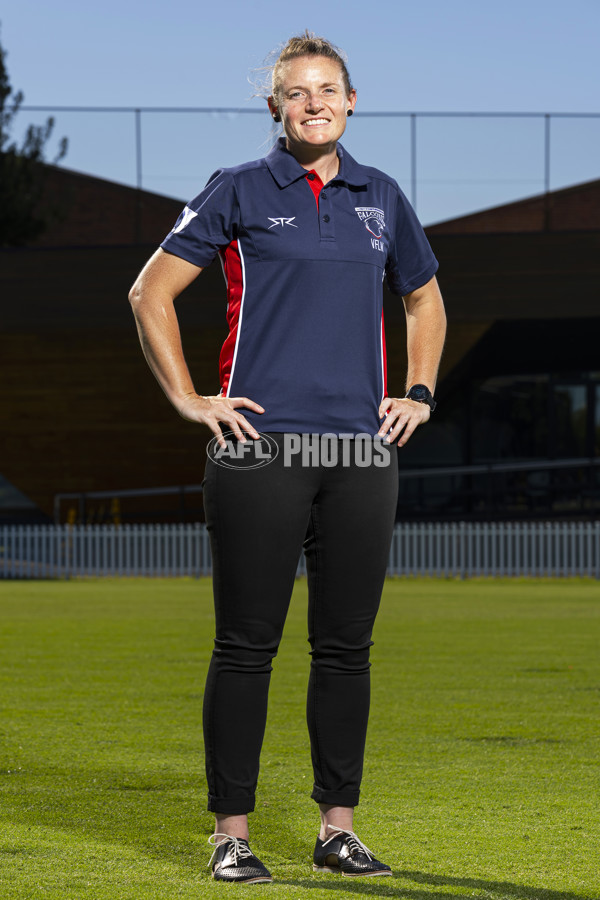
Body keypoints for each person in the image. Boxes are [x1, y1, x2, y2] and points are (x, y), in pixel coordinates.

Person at [129, 32, 446, 884]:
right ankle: (232, 834)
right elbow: (149, 291)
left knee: (347, 650)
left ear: (351, 101)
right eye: (296, 91)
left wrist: (416, 393)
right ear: (275, 106)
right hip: (257, 449)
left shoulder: (382, 196)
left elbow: (423, 298)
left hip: (361, 453)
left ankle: (336, 829)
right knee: (246, 646)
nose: (314, 103)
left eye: (329, 89)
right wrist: (189, 399)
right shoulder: (236, 190)